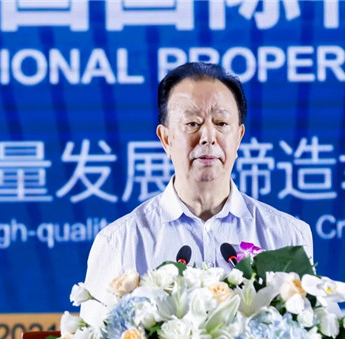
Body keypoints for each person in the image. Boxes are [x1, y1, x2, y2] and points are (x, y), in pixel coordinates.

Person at [80, 62, 313, 325]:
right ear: (166, 139)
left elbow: (310, 335)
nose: (208, 137)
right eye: (192, 123)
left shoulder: (287, 236)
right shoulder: (119, 243)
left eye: (221, 123)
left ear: (238, 137)